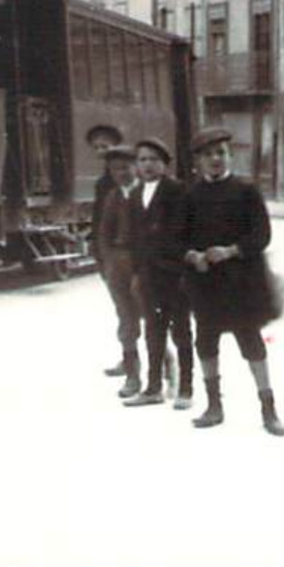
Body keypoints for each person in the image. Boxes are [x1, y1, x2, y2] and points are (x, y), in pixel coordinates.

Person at [182, 127, 284, 436]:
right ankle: (214, 406)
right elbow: (175, 237)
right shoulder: (190, 195)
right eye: (208, 155)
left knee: (251, 342)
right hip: (204, 284)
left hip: (241, 283)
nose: (215, 159)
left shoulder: (246, 191)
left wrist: (230, 251)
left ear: (230, 156)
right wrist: (192, 256)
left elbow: (262, 236)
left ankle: (269, 410)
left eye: (221, 153)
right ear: (198, 161)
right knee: (206, 342)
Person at [121, 137, 194, 410]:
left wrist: (182, 268)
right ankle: (153, 388)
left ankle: (186, 388)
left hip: (176, 275)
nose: (148, 165)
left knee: (182, 331)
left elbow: (184, 233)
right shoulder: (136, 194)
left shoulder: (178, 192)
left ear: (164, 164)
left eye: (153, 159)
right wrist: (137, 272)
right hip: (149, 276)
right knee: (153, 331)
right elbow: (135, 239)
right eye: (142, 160)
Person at [94, 145, 144, 398]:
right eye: (115, 169)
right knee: (125, 318)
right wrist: (107, 264)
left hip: (142, 264)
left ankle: (167, 365)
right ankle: (133, 374)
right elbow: (103, 233)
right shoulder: (112, 197)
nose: (121, 173)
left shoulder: (145, 194)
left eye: (125, 167)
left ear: (136, 167)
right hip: (117, 264)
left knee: (151, 317)